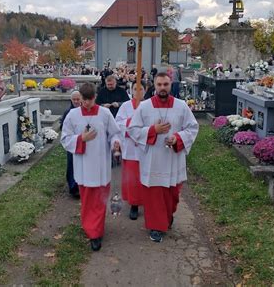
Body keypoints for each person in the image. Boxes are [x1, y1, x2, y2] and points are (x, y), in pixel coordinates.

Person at [128, 73, 199, 243]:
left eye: (165, 84)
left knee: (171, 195)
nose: (162, 88)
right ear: (154, 85)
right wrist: (153, 130)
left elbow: (192, 128)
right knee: (154, 195)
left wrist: (177, 138)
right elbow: (133, 129)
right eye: (159, 84)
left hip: (173, 159)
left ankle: (167, 216)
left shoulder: (181, 106)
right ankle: (156, 227)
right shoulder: (144, 107)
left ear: (170, 84)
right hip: (152, 159)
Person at [61, 83, 121, 251]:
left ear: (95, 97)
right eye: (83, 100)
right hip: (83, 165)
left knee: (100, 200)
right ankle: (91, 230)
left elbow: (115, 133)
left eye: (89, 100)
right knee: (88, 201)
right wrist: (81, 139)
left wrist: (116, 143)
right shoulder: (73, 115)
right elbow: (65, 138)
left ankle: (97, 231)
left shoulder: (105, 114)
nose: (85, 103)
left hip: (101, 165)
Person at [116, 82, 145, 220]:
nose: (138, 91)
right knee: (133, 178)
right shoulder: (125, 106)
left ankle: (147, 202)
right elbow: (118, 123)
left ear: (145, 91)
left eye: (140, 89)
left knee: (146, 177)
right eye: (135, 89)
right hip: (131, 148)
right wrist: (130, 122)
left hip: (145, 147)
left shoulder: (149, 105)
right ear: (131, 90)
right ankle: (134, 205)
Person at [60, 91, 82, 198]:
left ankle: (81, 185)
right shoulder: (68, 112)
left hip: (82, 142)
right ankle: (73, 187)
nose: (76, 102)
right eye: (74, 100)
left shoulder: (84, 111)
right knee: (72, 165)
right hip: (72, 142)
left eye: (78, 99)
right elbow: (63, 128)